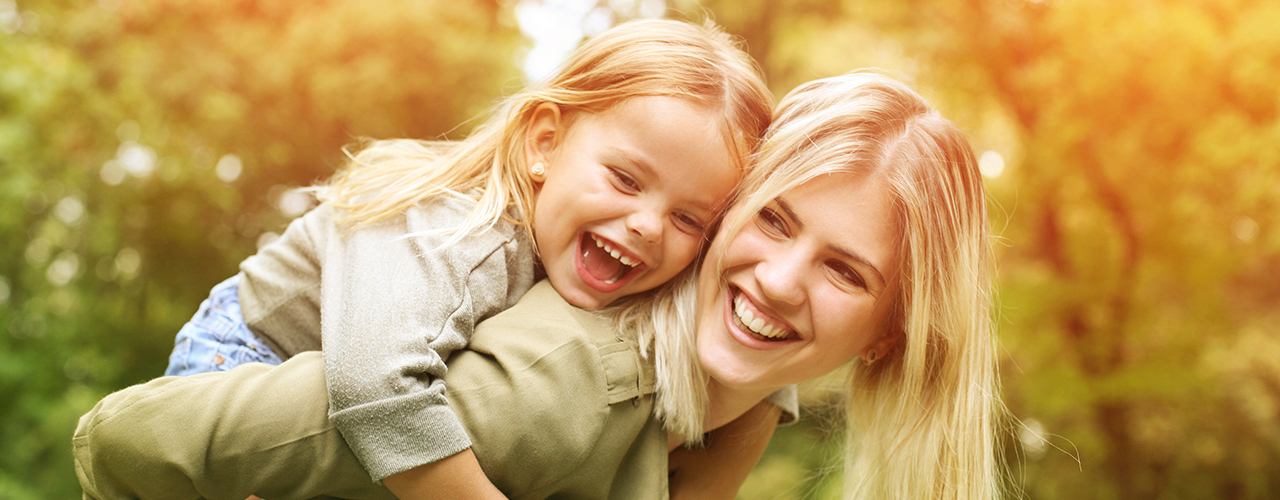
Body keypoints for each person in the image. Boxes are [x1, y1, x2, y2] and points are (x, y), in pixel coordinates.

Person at [75, 72, 1001, 500]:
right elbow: (129, 437)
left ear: (891, 332)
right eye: (775, 220)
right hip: (243, 353)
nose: (781, 280)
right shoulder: (550, 362)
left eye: (845, 271)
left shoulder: (749, 403)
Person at [154, 18, 773, 499]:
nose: (647, 224)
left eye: (689, 218)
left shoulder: (620, 255)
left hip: (362, 400)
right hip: (246, 364)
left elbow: (739, 333)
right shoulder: (457, 231)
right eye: (625, 179)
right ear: (546, 144)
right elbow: (377, 384)